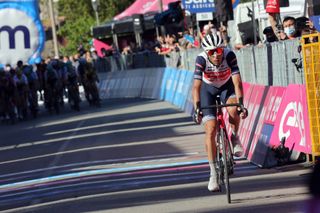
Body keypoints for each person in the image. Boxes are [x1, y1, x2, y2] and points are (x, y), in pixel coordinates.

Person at [192, 33, 248, 192]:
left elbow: (237, 82)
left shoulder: (229, 55)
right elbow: (196, 87)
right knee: (210, 128)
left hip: (226, 86)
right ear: (206, 52)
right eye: (211, 52)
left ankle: (234, 137)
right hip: (207, 90)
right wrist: (197, 108)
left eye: (218, 50)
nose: (216, 54)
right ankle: (213, 174)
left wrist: (241, 104)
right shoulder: (201, 59)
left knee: (233, 109)